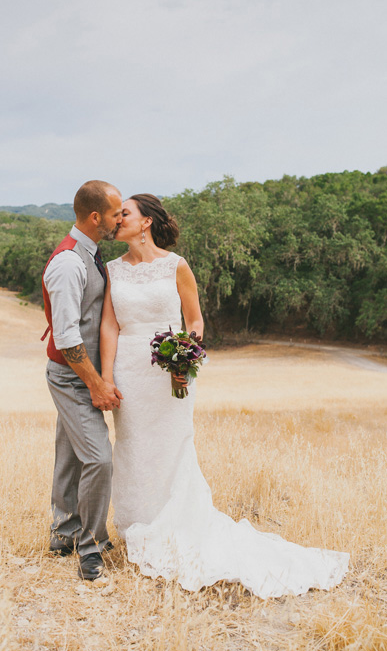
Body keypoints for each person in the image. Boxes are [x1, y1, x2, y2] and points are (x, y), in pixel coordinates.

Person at [99, 193, 349, 598]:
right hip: (129, 370)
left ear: (146, 222)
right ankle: (135, 530)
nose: (117, 219)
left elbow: (194, 319)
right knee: (132, 448)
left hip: (168, 371)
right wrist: (107, 377)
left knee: (172, 447)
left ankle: (173, 526)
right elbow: (109, 326)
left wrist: (183, 360)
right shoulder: (111, 269)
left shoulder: (176, 265)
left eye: (124, 213)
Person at [42, 180, 123, 581]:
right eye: (114, 213)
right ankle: (90, 547)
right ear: (95, 217)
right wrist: (94, 383)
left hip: (79, 373)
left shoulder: (88, 253)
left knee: (71, 452)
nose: (119, 219)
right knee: (99, 458)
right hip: (73, 377)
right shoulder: (69, 263)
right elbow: (67, 336)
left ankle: (63, 533)